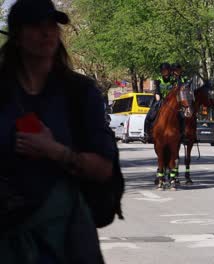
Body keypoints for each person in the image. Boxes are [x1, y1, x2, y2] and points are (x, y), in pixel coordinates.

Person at [0, 0, 116, 262]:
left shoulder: (80, 93)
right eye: (37, 26)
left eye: (52, 25)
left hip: (66, 241)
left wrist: (56, 151)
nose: (47, 32)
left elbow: (105, 169)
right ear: (17, 36)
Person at [144, 62, 173, 141]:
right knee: (149, 115)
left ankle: (184, 134)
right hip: (160, 100)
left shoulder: (173, 80)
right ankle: (147, 133)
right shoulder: (158, 80)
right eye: (163, 70)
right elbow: (157, 92)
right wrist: (159, 101)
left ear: (169, 71)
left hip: (172, 101)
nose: (164, 72)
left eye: (165, 70)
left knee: (182, 115)